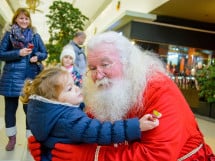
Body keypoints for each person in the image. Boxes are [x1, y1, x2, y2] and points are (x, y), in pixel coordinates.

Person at [29, 31, 214, 161]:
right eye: (92, 68)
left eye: (105, 64)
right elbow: (88, 129)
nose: (97, 75)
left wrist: (88, 156)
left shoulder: (160, 89)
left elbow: (157, 156)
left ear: (128, 63)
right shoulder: (102, 89)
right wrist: (51, 144)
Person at [20, 67, 160, 161]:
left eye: (74, 84)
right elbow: (102, 132)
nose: (76, 89)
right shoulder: (69, 120)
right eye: (69, 89)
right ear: (54, 100)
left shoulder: (44, 112)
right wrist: (136, 126)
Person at [0, 8, 48, 151]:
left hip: (29, 78)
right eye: (21, 18)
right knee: (10, 110)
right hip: (11, 78)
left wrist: (37, 57)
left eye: (26, 18)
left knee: (30, 110)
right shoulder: (8, 35)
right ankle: (12, 139)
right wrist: (18, 52)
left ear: (29, 20)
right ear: (15, 19)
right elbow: (1, 54)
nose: (24, 21)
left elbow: (44, 53)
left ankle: (30, 140)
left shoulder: (35, 35)